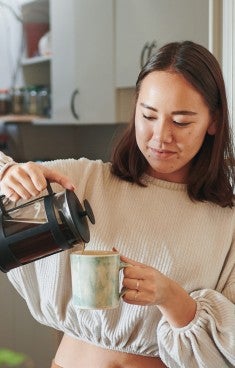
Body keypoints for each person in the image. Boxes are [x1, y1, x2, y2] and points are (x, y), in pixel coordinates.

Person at [0, 40, 234, 368]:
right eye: (148, 115)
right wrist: (7, 171)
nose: (160, 136)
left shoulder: (226, 224)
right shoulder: (81, 182)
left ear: (213, 121)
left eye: (181, 122)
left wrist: (172, 297)